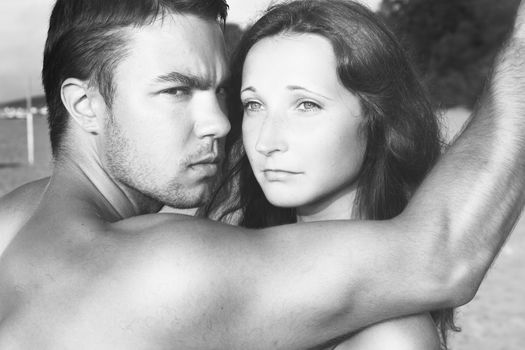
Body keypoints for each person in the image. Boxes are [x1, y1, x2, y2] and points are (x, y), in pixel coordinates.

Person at [0, 0, 525, 348]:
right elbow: (442, 253)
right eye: (176, 90)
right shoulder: (162, 265)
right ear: (85, 105)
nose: (221, 122)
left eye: (223, 93)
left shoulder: (13, 224)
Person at [199, 1, 453, 349]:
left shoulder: (387, 338)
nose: (265, 141)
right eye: (253, 105)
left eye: (306, 105)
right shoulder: (243, 277)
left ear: (378, 119)